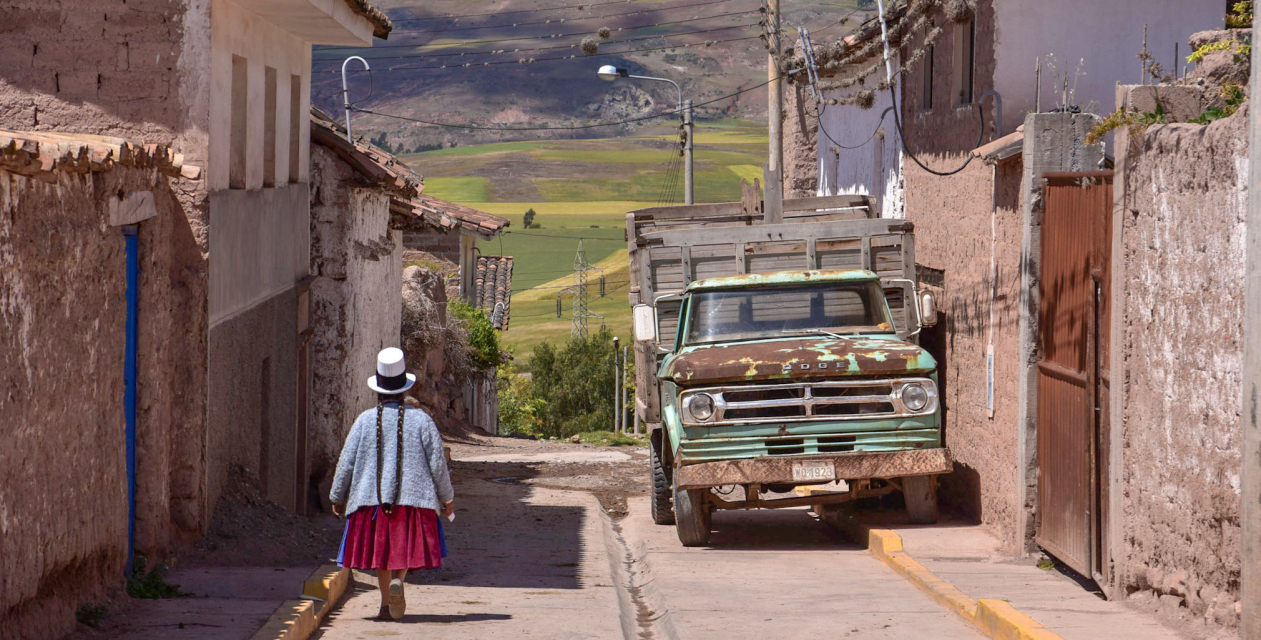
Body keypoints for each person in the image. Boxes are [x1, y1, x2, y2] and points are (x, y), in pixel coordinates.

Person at [330, 347, 455, 621]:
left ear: (378, 387)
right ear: (403, 386)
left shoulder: (364, 421)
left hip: (371, 501)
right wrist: (447, 498)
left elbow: (346, 462)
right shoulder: (422, 421)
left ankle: (386, 603)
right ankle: (400, 580)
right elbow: (437, 464)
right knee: (402, 549)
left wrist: (337, 496)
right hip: (413, 501)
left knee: (381, 553)